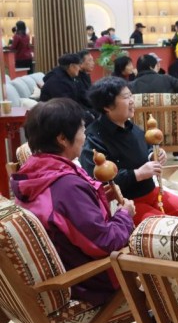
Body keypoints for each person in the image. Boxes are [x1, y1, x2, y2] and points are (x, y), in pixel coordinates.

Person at [11, 98, 135, 307]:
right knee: (160, 255)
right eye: (82, 130)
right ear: (62, 138)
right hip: (90, 281)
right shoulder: (66, 186)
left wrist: (96, 198)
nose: (85, 136)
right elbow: (104, 243)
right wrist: (124, 215)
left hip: (68, 265)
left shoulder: (33, 173)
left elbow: (66, 218)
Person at [80, 77, 178, 225]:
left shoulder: (129, 125)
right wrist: (137, 174)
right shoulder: (93, 139)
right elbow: (100, 181)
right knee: (166, 226)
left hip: (151, 192)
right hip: (126, 203)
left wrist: (153, 154)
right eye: (126, 97)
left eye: (131, 95)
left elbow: (146, 147)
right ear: (107, 106)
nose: (132, 101)